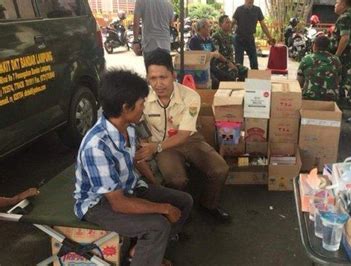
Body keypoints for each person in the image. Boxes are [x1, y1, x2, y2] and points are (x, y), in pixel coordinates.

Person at [74, 69, 193, 266]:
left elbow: (137, 159)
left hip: (128, 189)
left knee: (184, 201)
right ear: (126, 108)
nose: (144, 108)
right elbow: (118, 204)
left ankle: (144, 252)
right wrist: (163, 207)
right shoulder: (97, 146)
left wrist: (157, 188)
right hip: (99, 204)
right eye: (141, 104)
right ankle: (147, 256)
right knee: (158, 225)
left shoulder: (128, 126)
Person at [134, 49, 231, 223]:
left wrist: (155, 148)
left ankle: (208, 205)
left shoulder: (190, 96)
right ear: (147, 78)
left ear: (173, 75)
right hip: (163, 145)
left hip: (188, 140)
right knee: (176, 180)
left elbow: (185, 134)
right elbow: (137, 125)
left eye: (163, 77)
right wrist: (145, 144)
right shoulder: (142, 98)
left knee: (220, 169)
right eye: (153, 78)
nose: (158, 84)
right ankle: (180, 212)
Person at [189, 18, 234, 89]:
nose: (210, 29)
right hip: (201, 70)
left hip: (212, 67)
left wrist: (227, 62)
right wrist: (212, 54)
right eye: (208, 27)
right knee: (216, 83)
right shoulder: (194, 40)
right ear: (202, 28)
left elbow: (217, 53)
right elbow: (201, 57)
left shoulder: (208, 39)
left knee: (229, 77)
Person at [232, 0, 276, 69]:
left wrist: (270, 38)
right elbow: (232, 23)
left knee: (254, 63)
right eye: (249, 1)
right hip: (239, 39)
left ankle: (254, 79)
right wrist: (226, 35)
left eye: (252, 1)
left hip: (250, 39)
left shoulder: (257, 10)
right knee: (239, 64)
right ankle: (240, 78)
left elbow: (263, 25)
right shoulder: (239, 9)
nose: (250, 2)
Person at [297, 35, 342, 101]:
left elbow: (298, 82)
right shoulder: (336, 60)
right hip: (330, 99)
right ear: (329, 47)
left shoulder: (307, 59)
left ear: (314, 46)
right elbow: (338, 80)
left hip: (309, 98)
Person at [331, 0, 351, 100]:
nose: (335, 5)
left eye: (337, 3)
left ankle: (339, 106)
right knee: (341, 80)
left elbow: (345, 38)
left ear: (343, 4)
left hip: (343, 55)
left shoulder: (345, 17)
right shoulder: (350, 15)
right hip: (347, 54)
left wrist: (336, 56)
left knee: (339, 81)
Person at [212, 15, 248, 81]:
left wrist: (232, 64)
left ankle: (240, 90)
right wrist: (228, 63)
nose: (229, 24)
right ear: (220, 24)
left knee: (246, 71)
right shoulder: (216, 36)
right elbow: (217, 54)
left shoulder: (230, 36)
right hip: (220, 64)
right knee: (232, 73)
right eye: (227, 22)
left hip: (230, 63)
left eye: (230, 22)